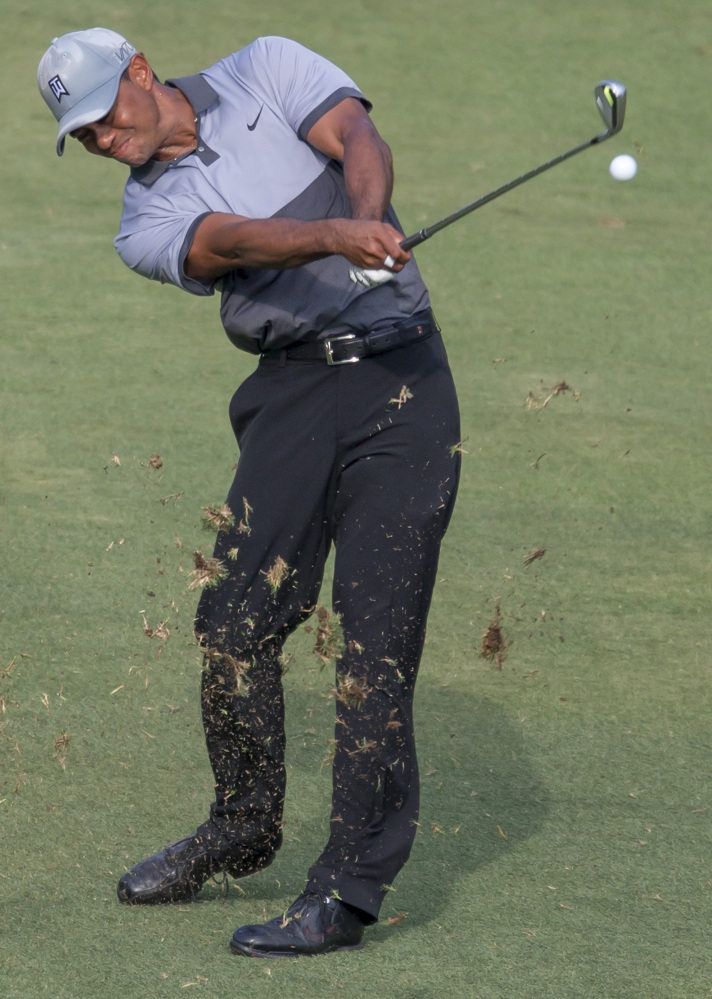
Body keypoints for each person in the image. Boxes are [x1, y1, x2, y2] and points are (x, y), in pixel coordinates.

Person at [37, 28, 461, 957]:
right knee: (233, 623)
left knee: (375, 647)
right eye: (86, 137)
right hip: (292, 394)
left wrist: (370, 220)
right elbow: (227, 241)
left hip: (404, 391)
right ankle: (242, 820)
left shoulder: (266, 67)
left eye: (106, 117)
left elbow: (357, 138)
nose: (105, 142)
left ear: (141, 73)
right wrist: (334, 236)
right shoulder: (141, 224)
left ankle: (345, 892)